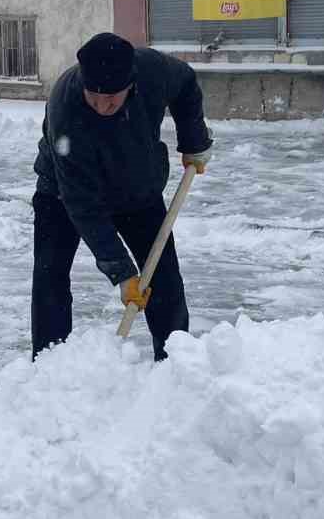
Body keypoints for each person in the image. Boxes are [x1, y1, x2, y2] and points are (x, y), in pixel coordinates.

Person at [32, 32, 212, 361]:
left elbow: (185, 83)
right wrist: (122, 272)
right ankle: (48, 368)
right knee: (50, 276)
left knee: (164, 279)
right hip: (62, 192)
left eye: (112, 98)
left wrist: (194, 140)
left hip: (136, 189)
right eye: (94, 97)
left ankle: (176, 365)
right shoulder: (65, 107)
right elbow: (82, 202)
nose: (102, 106)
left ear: (131, 83)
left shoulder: (152, 71)